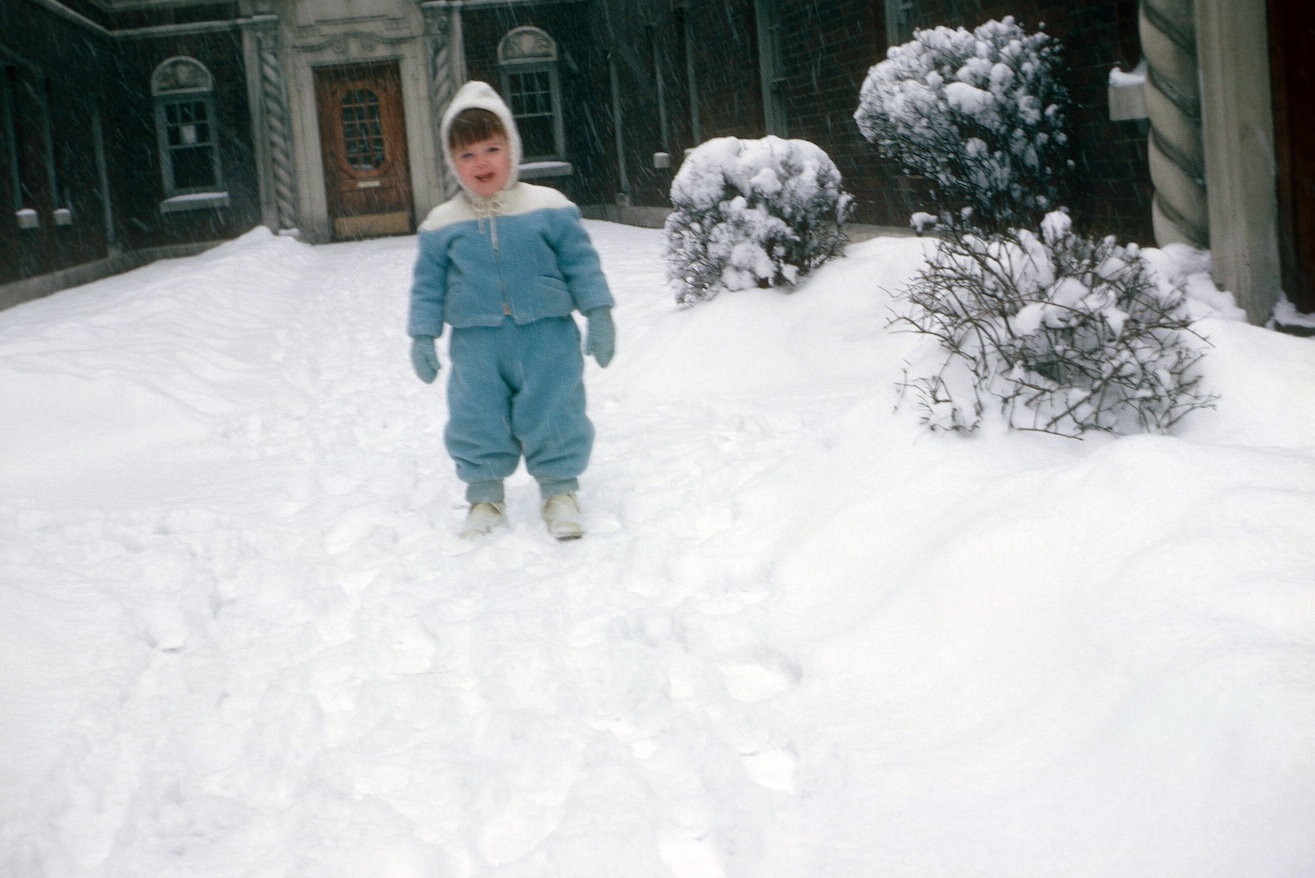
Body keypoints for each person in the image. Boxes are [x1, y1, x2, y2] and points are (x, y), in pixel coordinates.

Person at [407, 81, 615, 540]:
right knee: (476, 414)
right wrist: (422, 335)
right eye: (466, 155)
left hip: (547, 335)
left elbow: (581, 264)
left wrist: (598, 311)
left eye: (491, 148)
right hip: (477, 342)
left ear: (512, 149)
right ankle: (484, 496)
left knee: (556, 408)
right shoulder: (441, 225)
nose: (481, 162)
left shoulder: (549, 208)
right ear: (452, 162)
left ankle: (560, 491)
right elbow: (427, 287)